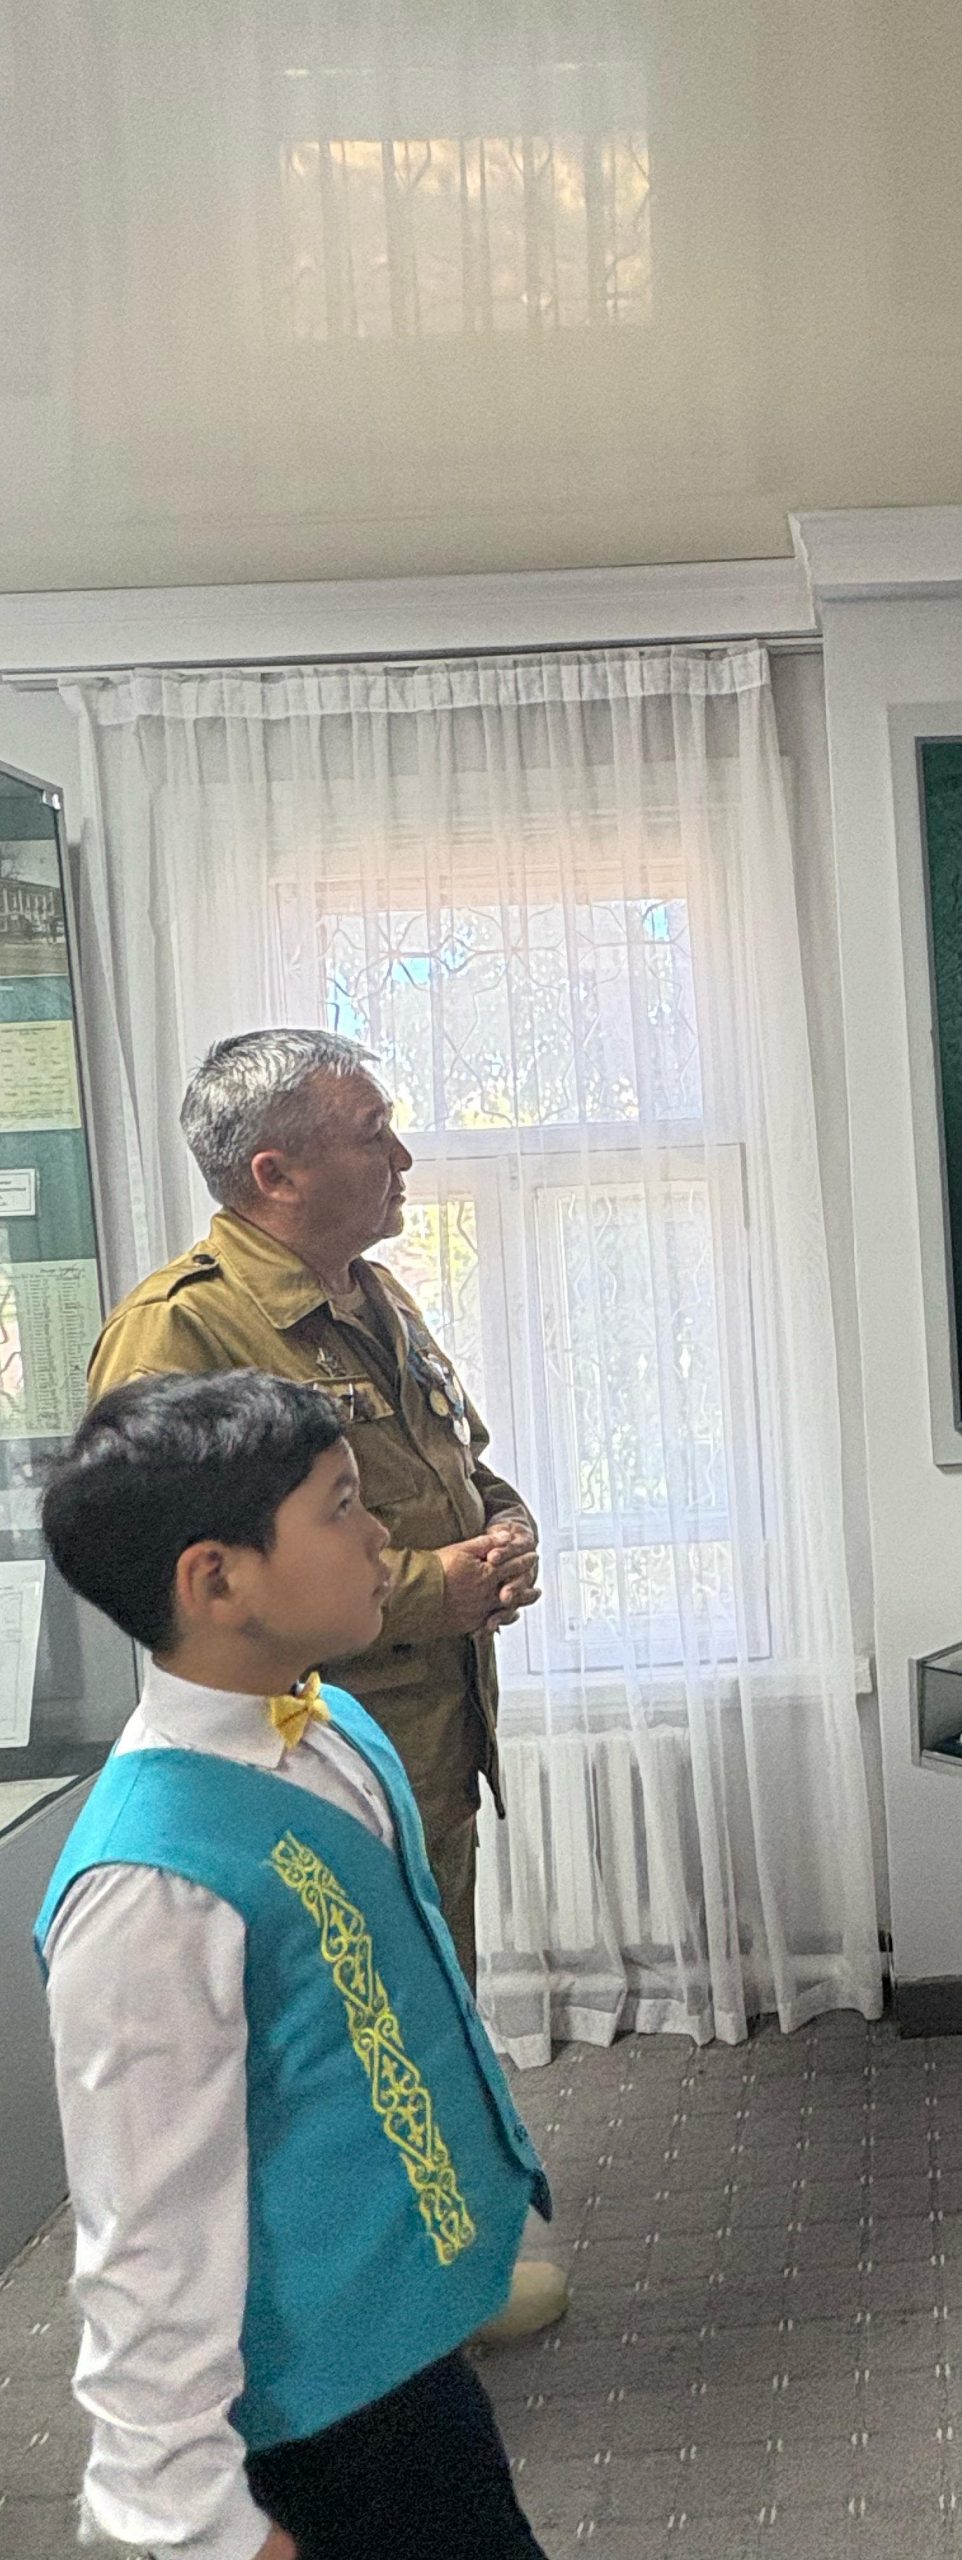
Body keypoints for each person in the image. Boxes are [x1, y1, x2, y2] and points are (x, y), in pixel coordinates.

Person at [36, 1369, 552, 2560]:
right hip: (312, 2408)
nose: (380, 1535)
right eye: (341, 1507)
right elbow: (143, 2236)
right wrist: (203, 2523)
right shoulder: (148, 1887)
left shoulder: (330, 1722)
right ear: (216, 1580)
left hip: (400, 2341)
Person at [89, 1030, 534, 1989]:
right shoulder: (178, 1329)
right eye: (373, 1134)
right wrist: (430, 1590)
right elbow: (170, 1572)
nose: (402, 1157)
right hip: (300, 1778)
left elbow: (455, 1461)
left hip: (429, 1746)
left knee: (432, 2010)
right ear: (276, 1174)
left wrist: (504, 1530)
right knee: (343, 2036)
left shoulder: (380, 1297)